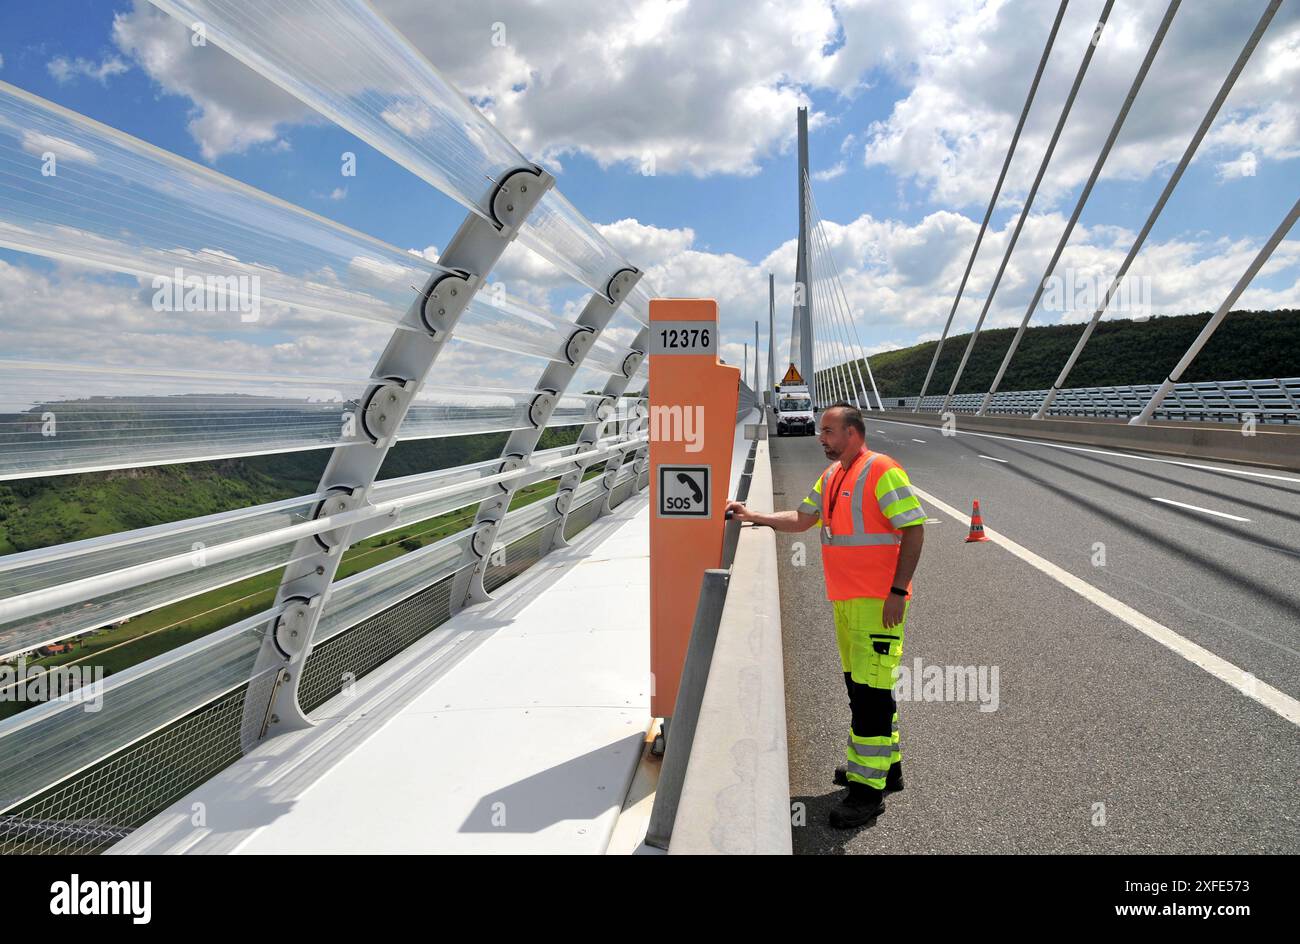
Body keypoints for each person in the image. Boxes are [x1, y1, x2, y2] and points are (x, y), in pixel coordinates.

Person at [726, 402, 925, 828]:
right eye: (822, 432)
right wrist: (754, 516)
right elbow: (802, 519)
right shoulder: (833, 476)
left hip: (878, 603)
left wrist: (896, 591)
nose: (821, 438)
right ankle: (886, 769)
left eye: (829, 431)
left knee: (870, 695)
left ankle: (866, 794)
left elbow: (913, 528)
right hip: (846, 601)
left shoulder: (881, 469)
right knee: (863, 688)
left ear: (853, 433)